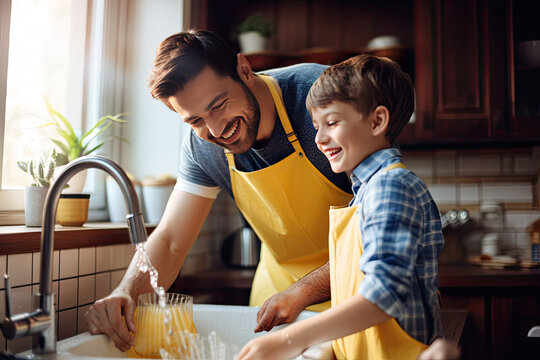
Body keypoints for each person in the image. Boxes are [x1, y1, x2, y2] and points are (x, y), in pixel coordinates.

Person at [85, 29, 353, 351]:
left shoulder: (322, 100)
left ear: (243, 70)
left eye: (219, 105)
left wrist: (305, 290)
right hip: (279, 294)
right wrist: (126, 291)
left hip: (356, 283)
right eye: (195, 120)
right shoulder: (202, 147)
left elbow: (374, 221)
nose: (215, 130)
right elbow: (171, 240)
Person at [238, 54, 446, 360]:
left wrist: (289, 341)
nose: (320, 139)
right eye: (316, 125)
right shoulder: (364, 193)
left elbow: (383, 295)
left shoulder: (390, 188)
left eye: (332, 122)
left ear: (377, 121)